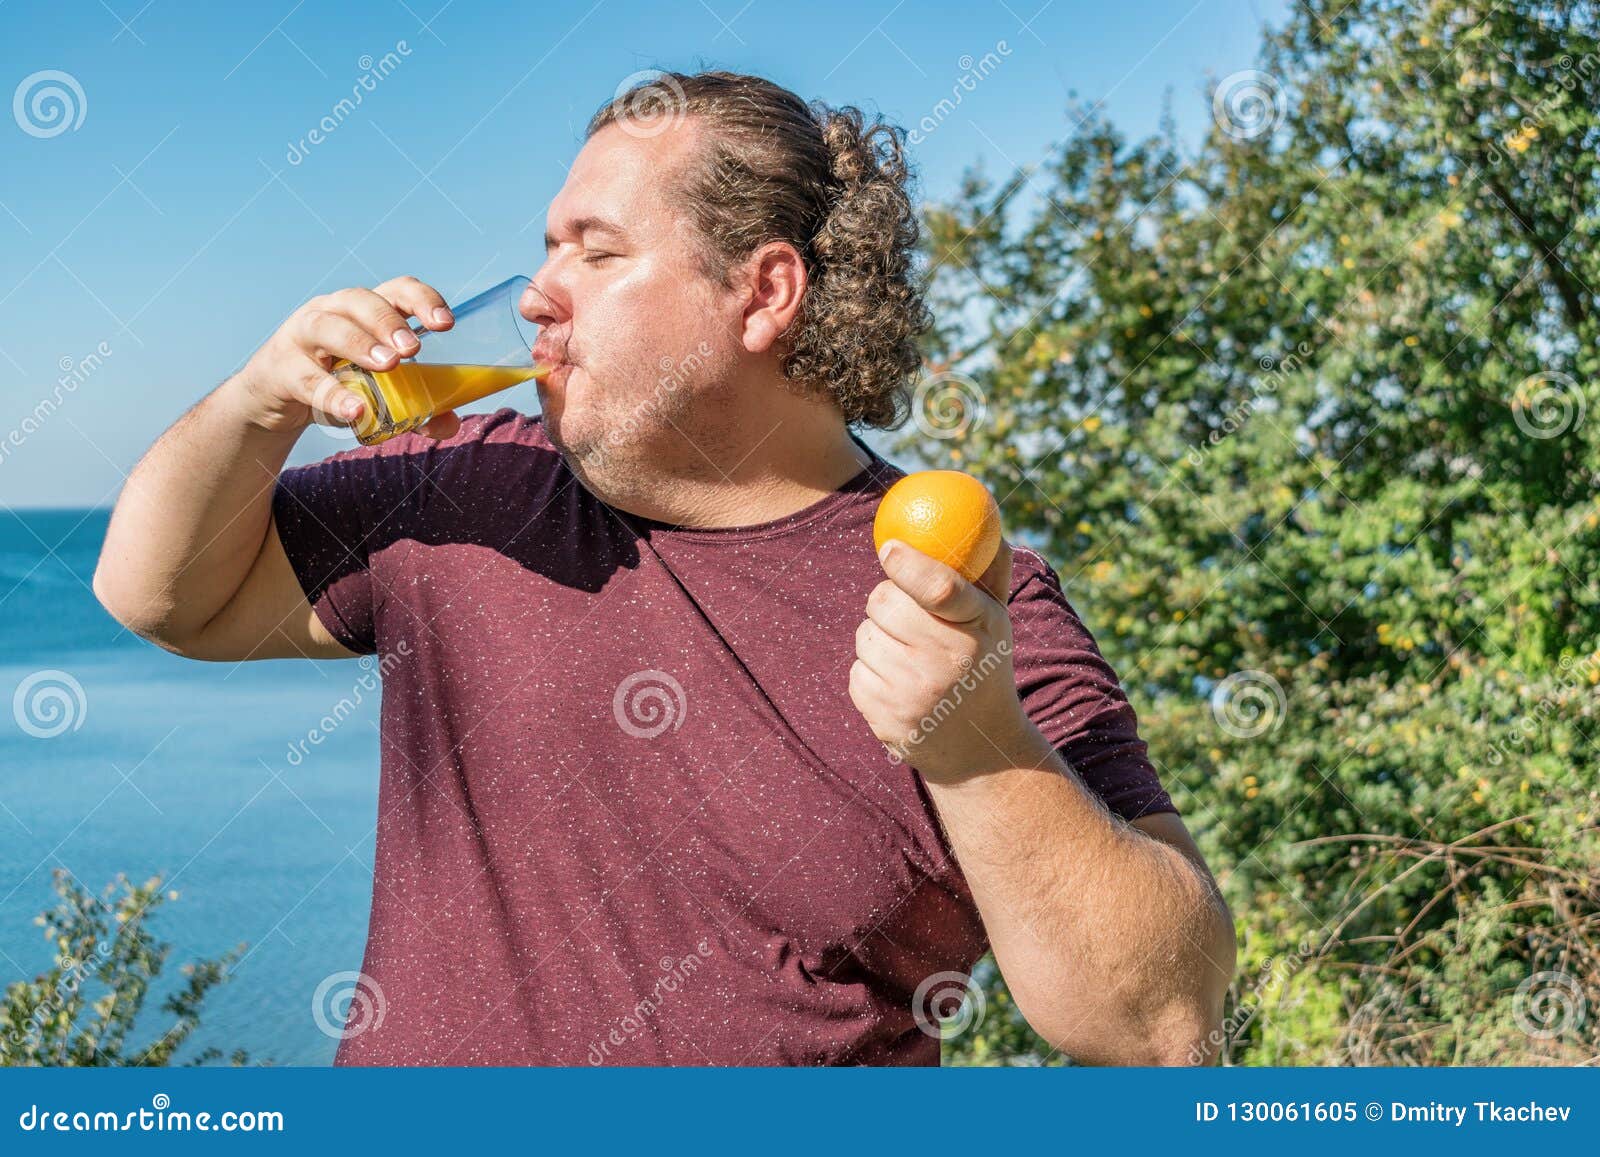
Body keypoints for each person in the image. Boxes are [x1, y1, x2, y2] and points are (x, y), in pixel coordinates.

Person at [93, 70, 1234, 1065]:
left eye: (596, 250)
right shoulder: (465, 492)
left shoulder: (960, 595)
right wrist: (259, 403)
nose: (538, 292)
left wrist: (977, 743)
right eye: (546, 247)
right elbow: (157, 592)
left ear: (764, 291)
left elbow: (1161, 1024)